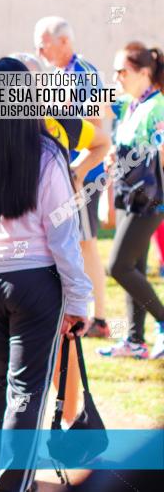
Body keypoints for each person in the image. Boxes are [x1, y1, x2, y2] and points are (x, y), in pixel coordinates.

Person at [0, 57, 92, 492]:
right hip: (35, 282)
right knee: (26, 387)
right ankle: (13, 484)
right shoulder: (47, 155)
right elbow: (63, 238)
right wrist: (80, 301)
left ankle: (0, 472)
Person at [34, 17, 112, 339]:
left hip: (84, 174)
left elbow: (98, 121)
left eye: (43, 43)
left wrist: (78, 170)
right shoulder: (58, 75)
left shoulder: (84, 73)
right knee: (76, 243)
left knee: (86, 243)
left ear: (64, 41)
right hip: (66, 175)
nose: (38, 50)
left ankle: (100, 318)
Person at [97, 42, 164, 360]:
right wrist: (114, 156)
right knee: (133, 266)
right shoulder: (131, 104)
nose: (116, 76)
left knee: (118, 266)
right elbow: (127, 146)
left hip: (151, 200)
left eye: (122, 70)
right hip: (128, 196)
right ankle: (135, 341)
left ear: (144, 72)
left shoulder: (158, 106)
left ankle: (163, 323)